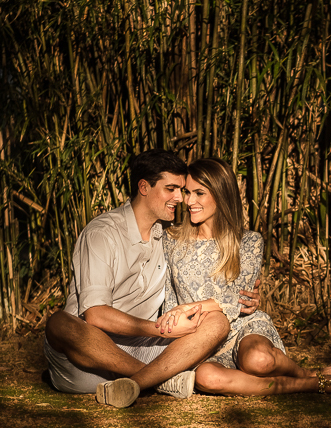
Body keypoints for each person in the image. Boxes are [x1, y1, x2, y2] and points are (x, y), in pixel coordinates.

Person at [43, 149, 258, 409]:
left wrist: (245, 297)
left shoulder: (168, 237)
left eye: (182, 190)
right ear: (144, 187)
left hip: (144, 348)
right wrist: (157, 329)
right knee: (58, 322)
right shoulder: (102, 234)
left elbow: (206, 271)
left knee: (218, 322)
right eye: (171, 189)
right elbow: (95, 315)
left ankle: (140, 381)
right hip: (88, 353)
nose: (181, 198)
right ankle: (161, 381)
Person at [159, 157, 331, 396]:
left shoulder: (249, 242)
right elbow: (168, 296)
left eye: (199, 193)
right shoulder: (171, 240)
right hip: (198, 337)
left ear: (221, 194)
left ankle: (303, 372)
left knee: (258, 361)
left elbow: (238, 300)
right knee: (207, 378)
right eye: (187, 193)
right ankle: (312, 383)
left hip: (241, 326)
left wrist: (187, 307)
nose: (189, 201)